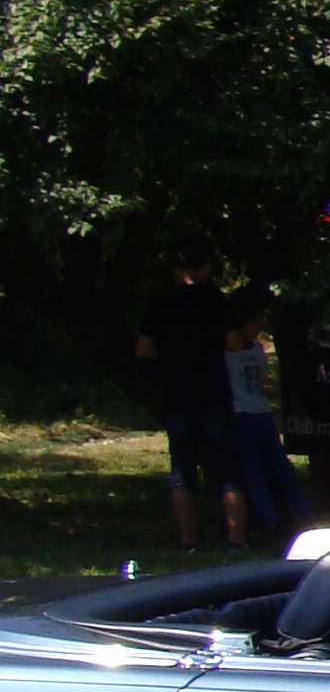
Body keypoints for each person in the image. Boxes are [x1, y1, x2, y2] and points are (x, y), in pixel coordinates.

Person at [134, 230, 240, 552]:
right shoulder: (214, 299)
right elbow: (234, 343)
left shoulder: (160, 301)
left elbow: (142, 349)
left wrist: (169, 353)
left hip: (176, 392)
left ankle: (189, 539)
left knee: (181, 467)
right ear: (206, 264)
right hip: (212, 390)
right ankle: (236, 539)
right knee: (228, 467)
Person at [221, 287, 313, 546]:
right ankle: (272, 524)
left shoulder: (253, 350)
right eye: (254, 322)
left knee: (281, 470)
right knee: (255, 475)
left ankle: (306, 518)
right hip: (242, 415)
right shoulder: (232, 353)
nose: (258, 328)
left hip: (258, 413)